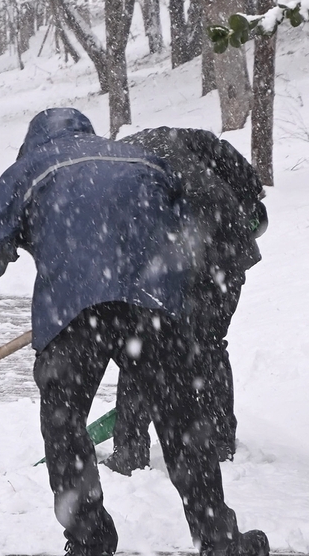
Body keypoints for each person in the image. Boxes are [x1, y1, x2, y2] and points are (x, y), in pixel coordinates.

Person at [0, 108, 269, 556]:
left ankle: (90, 552)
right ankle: (219, 543)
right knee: (181, 422)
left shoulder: (33, 168)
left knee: (65, 423)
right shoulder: (138, 158)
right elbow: (193, 230)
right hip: (154, 303)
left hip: (73, 311)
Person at [101, 128, 268, 475]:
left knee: (141, 347)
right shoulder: (181, 141)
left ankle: (129, 451)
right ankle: (220, 441)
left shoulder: (113, 176)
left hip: (187, 254)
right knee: (208, 344)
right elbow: (245, 179)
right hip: (224, 253)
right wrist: (246, 207)